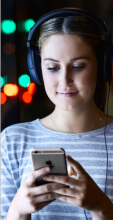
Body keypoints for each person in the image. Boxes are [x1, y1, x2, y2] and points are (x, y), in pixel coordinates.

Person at [1, 8, 113, 220]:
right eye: (52, 68)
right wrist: (18, 210)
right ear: (36, 69)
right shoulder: (12, 141)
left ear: (102, 65)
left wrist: (101, 207)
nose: (64, 81)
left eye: (78, 66)